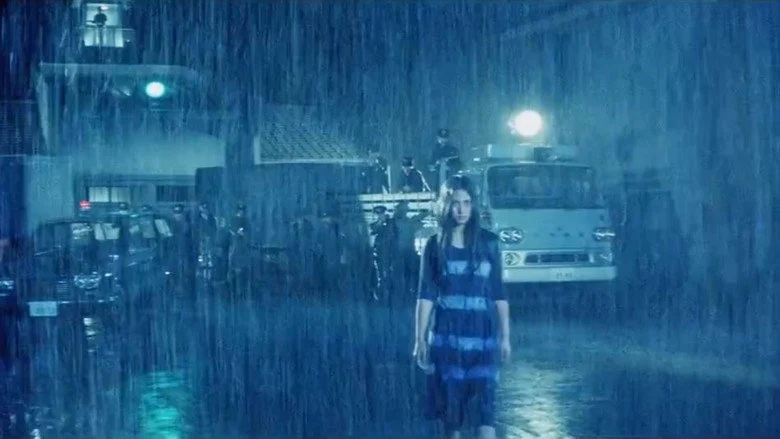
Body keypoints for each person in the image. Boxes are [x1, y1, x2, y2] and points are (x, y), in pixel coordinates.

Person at [413, 175, 511, 439]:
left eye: (467, 203)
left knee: (485, 410)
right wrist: (419, 339)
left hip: (483, 336)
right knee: (451, 415)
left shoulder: (489, 243)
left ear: (474, 205)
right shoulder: (435, 246)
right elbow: (426, 294)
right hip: (447, 337)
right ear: (446, 206)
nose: (461, 209)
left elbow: (498, 292)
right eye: (455, 203)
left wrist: (505, 337)